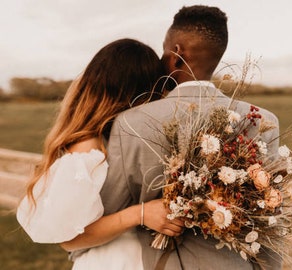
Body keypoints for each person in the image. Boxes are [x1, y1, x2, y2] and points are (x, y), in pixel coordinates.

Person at [101, 5, 282, 270]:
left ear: (176, 55)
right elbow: (270, 217)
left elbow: (110, 211)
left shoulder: (131, 122)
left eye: (164, 52)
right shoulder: (263, 121)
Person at [16, 38, 184, 270]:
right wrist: (139, 214)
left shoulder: (123, 138)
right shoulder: (89, 148)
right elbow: (69, 239)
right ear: (138, 92)